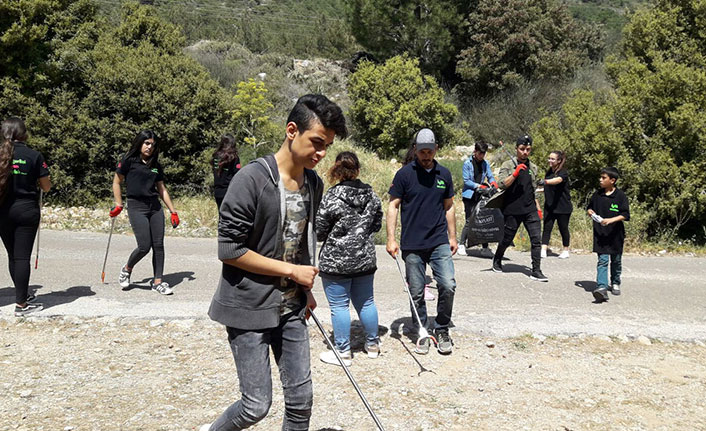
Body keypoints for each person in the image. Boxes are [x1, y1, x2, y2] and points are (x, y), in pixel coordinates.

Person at [201, 94, 347, 431]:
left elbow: (300, 240)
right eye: (316, 143)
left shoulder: (313, 183)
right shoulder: (251, 180)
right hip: (248, 306)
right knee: (255, 406)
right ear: (292, 130)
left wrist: (304, 287)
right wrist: (290, 271)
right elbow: (229, 249)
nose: (322, 153)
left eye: (327, 145)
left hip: (291, 306)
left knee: (300, 403)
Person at [386, 128, 457, 355]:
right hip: (412, 244)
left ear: (436, 149)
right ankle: (422, 331)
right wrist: (391, 238)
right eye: (422, 151)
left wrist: (453, 236)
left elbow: (449, 206)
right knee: (416, 291)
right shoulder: (404, 175)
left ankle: (442, 328)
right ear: (415, 150)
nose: (426, 156)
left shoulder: (444, 174)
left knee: (447, 284)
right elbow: (393, 206)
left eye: (430, 151)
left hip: (439, 241)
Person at [316, 151, 383, 366]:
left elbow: (319, 229)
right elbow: (377, 224)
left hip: (336, 261)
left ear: (336, 170)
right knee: (367, 302)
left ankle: (343, 352)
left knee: (339, 306)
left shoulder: (332, 197)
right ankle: (372, 345)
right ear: (358, 170)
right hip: (364, 258)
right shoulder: (371, 195)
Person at [111, 130, 179, 295]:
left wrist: (173, 211)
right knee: (144, 246)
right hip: (136, 206)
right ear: (140, 143)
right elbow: (116, 182)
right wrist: (118, 204)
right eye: (147, 143)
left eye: (152, 145)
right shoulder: (128, 161)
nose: (149, 147)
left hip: (154, 207)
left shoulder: (155, 165)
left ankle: (158, 282)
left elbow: (161, 189)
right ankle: (127, 268)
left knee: (159, 245)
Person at [0, 117, 51, 317]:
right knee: (22, 257)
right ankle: (21, 305)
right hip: (26, 210)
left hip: (3, 211)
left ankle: (24, 296)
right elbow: (45, 186)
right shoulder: (34, 155)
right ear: (23, 134)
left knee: (13, 255)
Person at [492, 135, 548, 282]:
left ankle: (536, 270)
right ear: (516, 149)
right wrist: (515, 173)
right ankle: (497, 259)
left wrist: (538, 207)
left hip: (530, 209)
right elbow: (502, 184)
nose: (525, 152)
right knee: (507, 239)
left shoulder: (533, 167)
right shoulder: (507, 165)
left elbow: (533, 189)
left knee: (536, 240)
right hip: (512, 209)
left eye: (528, 149)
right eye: (522, 149)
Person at [587, 167, 630, 302]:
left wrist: (611, 220)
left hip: (615, 235)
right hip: (600, 234)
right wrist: (591, 213)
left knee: (616, 260)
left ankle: (615, 282)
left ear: (612, 180)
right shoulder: (597, 194)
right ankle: (601, 287)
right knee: (603, 261)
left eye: (603, 178)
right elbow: (589, 207)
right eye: (600, 177)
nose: (600, 180)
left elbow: (625, 214)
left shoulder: (620, 196)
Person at [458, 141, 498, 257]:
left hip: (481, 195)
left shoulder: (485, 164)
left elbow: (490, 176)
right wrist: (479, 186)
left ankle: (485, 248)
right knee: (469, 220)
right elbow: (467, 181)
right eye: (480, 153)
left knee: (483, 220)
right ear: (475, 151)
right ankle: (461, 244)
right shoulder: (467, 163)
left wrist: (493, 184)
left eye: (483, 154)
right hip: (470, 195)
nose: (482, 156)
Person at [540, 150, 573, 259]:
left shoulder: (563, 172)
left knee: (563, 228)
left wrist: (545, 182)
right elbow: (547, 187)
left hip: (563, 206)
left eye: (552, 159)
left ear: (559, 161)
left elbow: (557, 181)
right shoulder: (549, 172)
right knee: (547, 227)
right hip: (550, 206)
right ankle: (543, 249)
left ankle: (566, 249)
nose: (550, 160)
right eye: (549, 158)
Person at [212, 133, 241, 210]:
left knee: (221, 216)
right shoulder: (234, 157)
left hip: (217, 191)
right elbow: (238, 174)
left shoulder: (216, 156)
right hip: (229, 192)